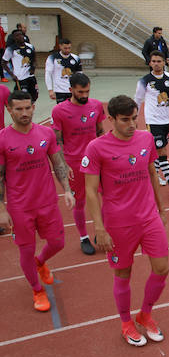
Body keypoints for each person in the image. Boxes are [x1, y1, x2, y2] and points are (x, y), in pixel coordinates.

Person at [83, 95, 169, 345]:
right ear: (111, 119)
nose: (132, 124)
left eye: (134, 118)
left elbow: (152, 172)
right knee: (123, 272)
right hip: (119, 222)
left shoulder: (146, 138)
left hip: (149, 217)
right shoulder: (97, 147)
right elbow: (90, 190)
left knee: (162, 268)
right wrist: (99, 228)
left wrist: (161, 209)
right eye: (125, 120)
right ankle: (126, 322)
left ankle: (145, 314)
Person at [0, 90, 74, 311]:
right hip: (19, 206)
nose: (24, 113)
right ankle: (37, 290)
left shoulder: (46, 134)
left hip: (47, 202)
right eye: (19, 109)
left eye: (27, 108)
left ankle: (39, 262)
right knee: (25, 249)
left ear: (33, 107)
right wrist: (1, 209)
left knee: (58, 243)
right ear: (9, 110)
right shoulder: (2, 139)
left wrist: (67, 190)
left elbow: (58, 163)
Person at [50, 72, 104, 255]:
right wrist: (64, 163)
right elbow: (57, 141)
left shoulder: (96, 106)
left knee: (106, 197)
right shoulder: (59, 111)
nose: (84, 95)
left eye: (87, 91)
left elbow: (100, 131)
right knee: (79, 202)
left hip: (97, 162)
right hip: (75, 163)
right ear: (70, 90)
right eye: (80, 92)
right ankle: (83, 237)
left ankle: (100, 231)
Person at [135, 51, 169, 195]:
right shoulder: (144, 81)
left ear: (164, 62)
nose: (156, 63)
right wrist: (134, 118)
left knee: (157, 151)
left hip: (167, 120)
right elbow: (137, 100)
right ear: (150, 63)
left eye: (159, 61)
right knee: (162, 151)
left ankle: (152, 175)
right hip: (153, 120)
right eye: (154, 61)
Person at [2, 29, 38, 102]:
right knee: (23, 97)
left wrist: (33, 67)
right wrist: (12, 75)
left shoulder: (30, 46)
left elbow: (34, 59)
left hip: (31, 76)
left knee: (35, 95)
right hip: (20, 77)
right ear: (14, 38)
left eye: (21, 34)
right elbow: (3, 63)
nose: (20, 37)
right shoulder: (11, 49)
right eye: (17, 35)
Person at [44, 38, 83, 104]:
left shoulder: (76, 58)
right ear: (60, 46)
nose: (67, 50)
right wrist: (50, 90)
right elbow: (48, 74)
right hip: (59, 91)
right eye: (65, 48)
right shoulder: (52, 58)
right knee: (62, 111)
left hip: (73, 90)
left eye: (69, 48)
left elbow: (80, 75)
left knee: (74, 110)